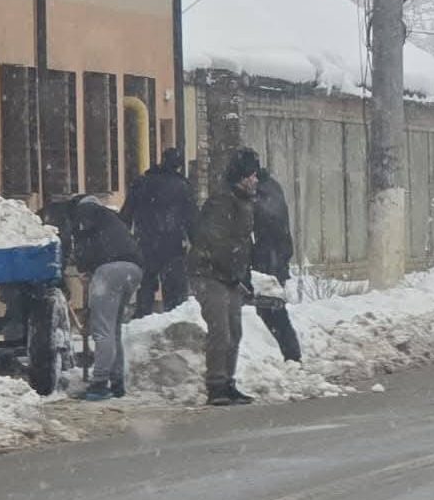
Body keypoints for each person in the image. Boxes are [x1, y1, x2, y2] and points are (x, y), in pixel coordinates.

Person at [190, 148, 260, 407]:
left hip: (230, 275)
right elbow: (216, 241)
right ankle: (216, 385)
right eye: (252, 175)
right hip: (208, 273)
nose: (255, 180)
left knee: (235, 330)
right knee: (221, 330)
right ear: (241, 177)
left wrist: (243, 276)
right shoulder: (222, 202)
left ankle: (228, 382)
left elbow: (243, 245)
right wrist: (231, 271)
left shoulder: (245, 203)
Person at [68, 196, 144, 400]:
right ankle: (117, 382)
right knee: (114, 328)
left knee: (102, 329)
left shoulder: (84, 215)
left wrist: (83, 268)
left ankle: (100, 384)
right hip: (133, 270)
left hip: (109, 272)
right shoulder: (111, 217)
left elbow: (83, 246)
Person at [121, 147, 196, 317]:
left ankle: (142, 320)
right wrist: (196, 244)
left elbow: (126, 214)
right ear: (178, 166)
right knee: (175, 293)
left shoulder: (141, 183)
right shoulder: (182, 187)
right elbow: (191, 220)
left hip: (145, 242)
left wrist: (126, 241)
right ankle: (173, 321)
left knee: (146, 286)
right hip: (173, 245)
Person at [252, 168, 303, 363]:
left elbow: (265, 228)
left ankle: (292, 355)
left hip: (268, 261)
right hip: (274, 259)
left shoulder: (261, 194)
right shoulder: (272, 187)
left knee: (271, 309)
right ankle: (292, 354)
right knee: (273, 309)